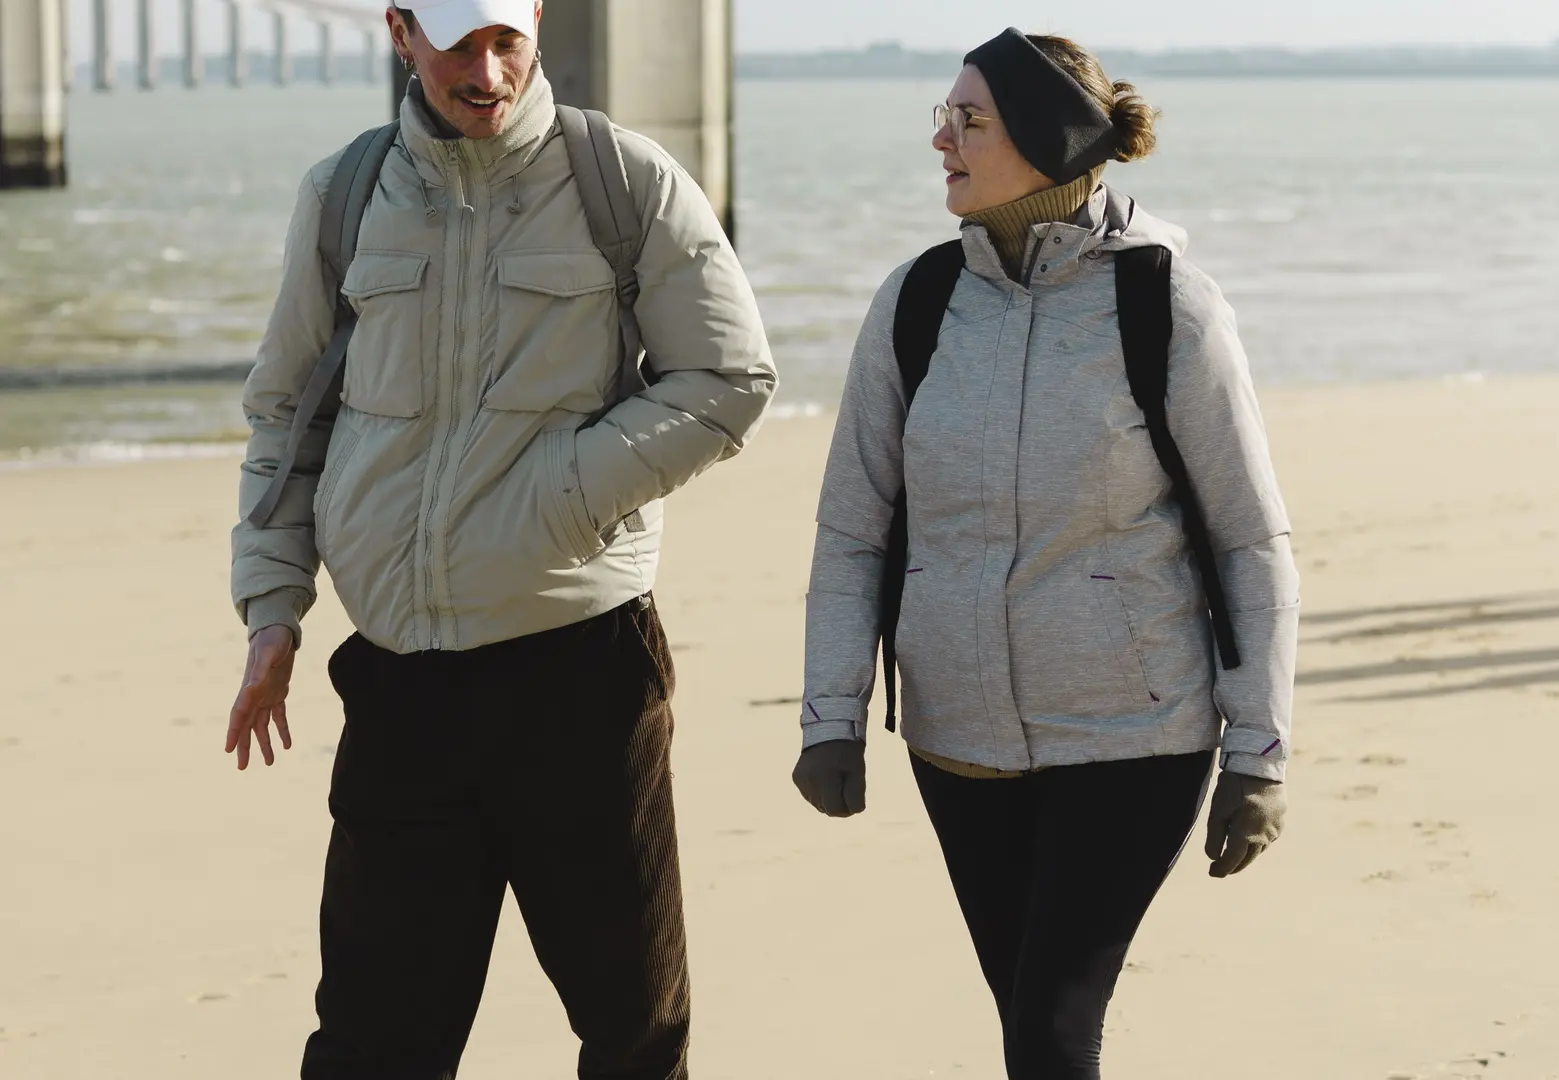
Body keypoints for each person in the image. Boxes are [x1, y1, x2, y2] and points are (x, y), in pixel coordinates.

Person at [224, 2, 776, 1077]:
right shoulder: (344, 194)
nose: (487, 72)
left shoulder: (627, 181)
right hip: (400, 689)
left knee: (633, 1037)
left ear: (534, 22)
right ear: (399, 32)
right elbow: (287, 414)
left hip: (581, 677)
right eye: (457, 45)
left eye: (506, 39)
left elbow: (728, 379)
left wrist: (561, 497)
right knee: (371, 1047)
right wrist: (271, 609)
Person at [790, 28, 1297, 1079]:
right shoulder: (916, 303)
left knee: (1052, 1027)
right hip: (958, 737)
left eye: (968, 120)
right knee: (1026, 1014)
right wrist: (831, 714)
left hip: (1134, 732)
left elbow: (1251, 540)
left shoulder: (1169, 306)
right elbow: (855, 527)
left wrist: (1258, 752)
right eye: (945, 116)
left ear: (1045, 139)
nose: (943, 141)